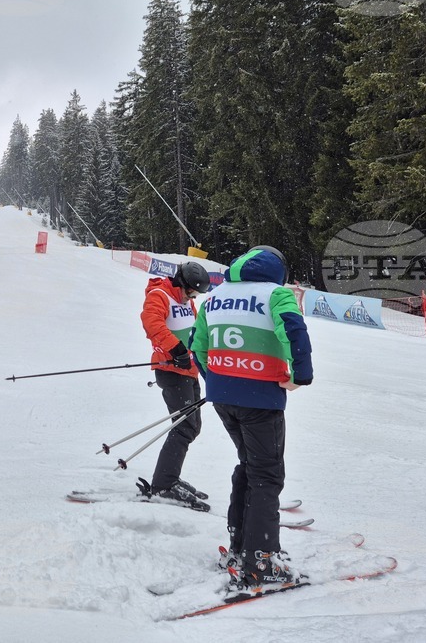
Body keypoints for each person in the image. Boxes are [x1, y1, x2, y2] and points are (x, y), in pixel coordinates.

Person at [188, 245, 313, 590]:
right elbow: (294, 329)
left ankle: (241, 547)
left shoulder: (215, 295)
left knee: (248, 465)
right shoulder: (276, 293)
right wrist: (300, 376)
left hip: (223, 397)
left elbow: (197, 345)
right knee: (266, 475)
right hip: (261, 397)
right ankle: (261, 561)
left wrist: (216, 380)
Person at [139, 261, 212, 510]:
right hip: (171, 371)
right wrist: (176, 350)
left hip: (189, 371)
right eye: (191, 291)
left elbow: (193, 330)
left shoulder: (185, 301)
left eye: (196, 294)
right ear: (181, 283)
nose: (192, 297)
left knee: (191, 427)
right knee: (184, 427)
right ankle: (163, 485)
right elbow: (152, 323)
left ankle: (170, 477)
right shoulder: (160, 295)